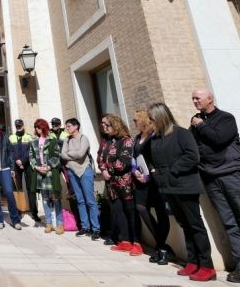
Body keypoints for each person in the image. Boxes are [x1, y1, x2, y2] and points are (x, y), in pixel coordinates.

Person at [190, 88, 240, 287]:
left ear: (210, 99)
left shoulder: (225, 118)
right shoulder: (196, 122)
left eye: (197, 98)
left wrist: (200, 126)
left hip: (232, 175)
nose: (194, 101)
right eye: (193, 98)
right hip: (211, 178)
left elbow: (219, 140)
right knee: (229, 223)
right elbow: (195, 148)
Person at [146, 103, 216, 281]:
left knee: (195, 225)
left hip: (185, 186)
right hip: (168, 187)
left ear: (160, 118)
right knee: (184, 224)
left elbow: (192, 156)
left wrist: (173, 171)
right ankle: (193, 262)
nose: (149, 123)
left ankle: (207, 265)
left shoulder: (181, 133)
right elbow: (145, 153)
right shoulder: (155, 138)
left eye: (152, 119)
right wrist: (154, 170)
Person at [132, 110, 171, 264]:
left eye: (136, 120)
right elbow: (134, 157)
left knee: (161, 213)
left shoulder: (153, 136)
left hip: (154, 180)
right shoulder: (137, 138)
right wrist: (135, 171)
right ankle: (161, 245)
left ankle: (160, 248)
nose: (134, 123)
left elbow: (156, 156)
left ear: (143, 120)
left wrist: (148, 175)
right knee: (141, 207)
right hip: (140, 181)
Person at [99, 114, 139, 255]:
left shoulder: (126, 140)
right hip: (111, 184)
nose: (104, 127)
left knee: (130, 213)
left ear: (115, 124)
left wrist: (108, 169)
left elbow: (124, 162)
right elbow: (100, 157)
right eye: (102, 124)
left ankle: (137, 243)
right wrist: (103, 170)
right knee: (118, 212)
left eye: (107, 124)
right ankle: (126, 241)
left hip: (125, 183)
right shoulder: (105, 141)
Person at [61, 118, 100, 240]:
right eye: (66, 126)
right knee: (80, 200)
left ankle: (96, 229)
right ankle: (85, 227)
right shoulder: (66, 140)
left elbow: (81, 154)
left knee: (90, 201)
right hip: (72, 171)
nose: (67, 128)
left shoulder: (84, 138)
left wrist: (70, 153)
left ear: (76, 126)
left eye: (69, 126)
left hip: (85, 171)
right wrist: (73, 153)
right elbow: (62, 154)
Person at [28, 119, 63, 234]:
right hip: (40, 174)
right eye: (36, 127)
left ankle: (60, 224)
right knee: (45, 199)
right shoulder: (34, 142)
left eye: (39, 127)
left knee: (56, 198)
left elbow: (57, 156)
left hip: (51, 173)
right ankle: (48, 223)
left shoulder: (53, 140)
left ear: (44, 127)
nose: (37, 130)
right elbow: (31, 157)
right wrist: (37, 168)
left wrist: (48, 167)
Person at [9, 119, 38, 222]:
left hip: (28, 165)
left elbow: (31, 151)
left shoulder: (29, 137)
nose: (18, 127)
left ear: (23, 125)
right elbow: (11, 152)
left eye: (20, 125)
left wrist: (22, 161)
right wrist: (17, 161)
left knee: (31, 189)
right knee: (17, 189)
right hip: (16, 166)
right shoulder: (11, 137)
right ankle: (18, 211)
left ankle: (34, 213)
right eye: (17, 126)